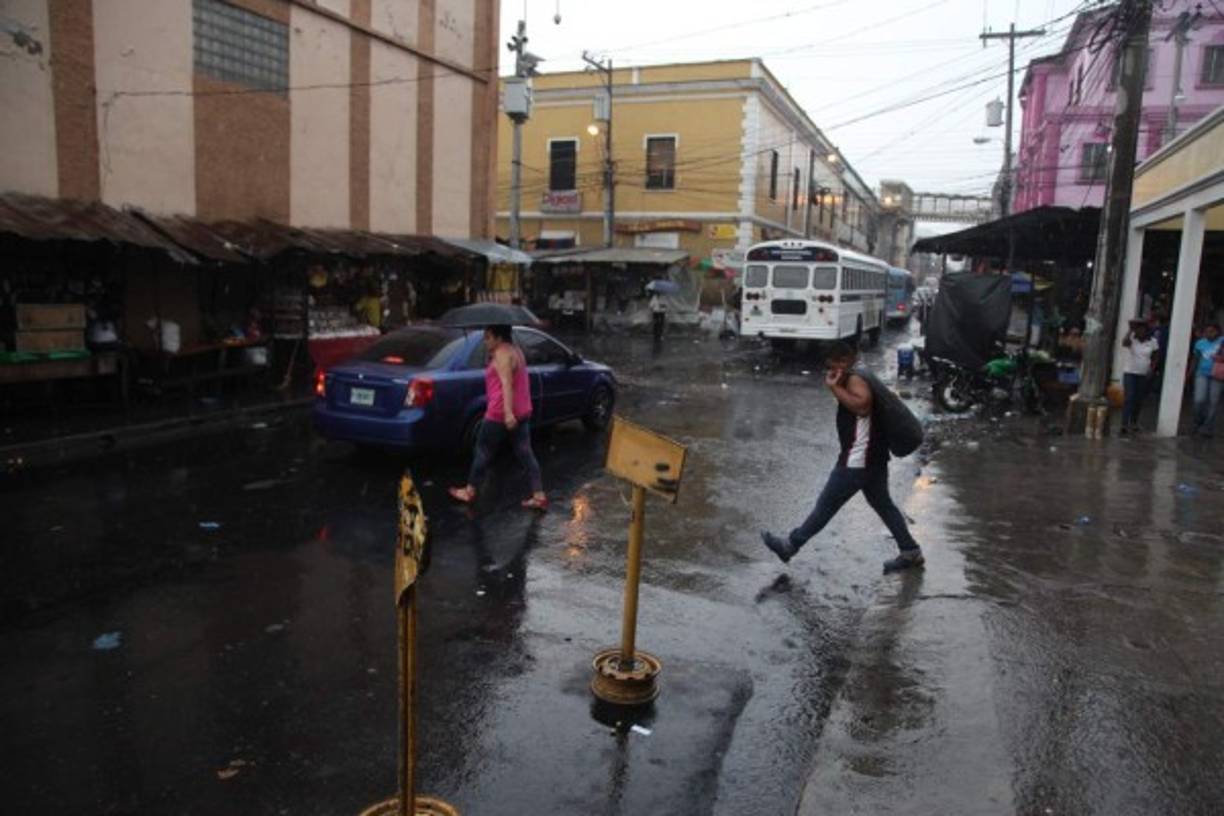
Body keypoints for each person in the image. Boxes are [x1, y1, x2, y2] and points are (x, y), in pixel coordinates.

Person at [760, 341, 925, 574]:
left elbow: (862, 407)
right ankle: (910, 552)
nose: (830, 370)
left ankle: (790, 545)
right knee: (883, 504)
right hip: (873, 455)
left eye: (833, 365)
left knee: (826, 504)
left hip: (859, 458)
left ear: (844, 361)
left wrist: (834, 388)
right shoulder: (859, 372)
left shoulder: (855, 377)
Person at [449, 325, 548, 510]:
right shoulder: (516, 351)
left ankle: (469, 491)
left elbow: (507, 385)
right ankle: (539, 495)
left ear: (499, 337)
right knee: (525, 453)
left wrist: (508, 414)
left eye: (488, 337)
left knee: (483, 450)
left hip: (500, 413)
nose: (485, 341)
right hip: (522, 411)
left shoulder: (502, 354)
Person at [1119, 319, 1159, 436]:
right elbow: (1124, 343)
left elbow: (1156, 356)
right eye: (1138, 329)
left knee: (1139, 399)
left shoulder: (1152, 342)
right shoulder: (1132, 339)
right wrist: (1130, 330)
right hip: (1130, 372)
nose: (1140, 332)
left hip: (1143, 374)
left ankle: (1134, 421)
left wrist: (1152, 368)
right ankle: (1124, 423)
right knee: (1129, 398)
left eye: (1143, 329)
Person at [1192, 323, 1223, 438]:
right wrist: (1190, 374)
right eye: (1207, 331)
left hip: (1217, 374)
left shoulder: (1222, 341)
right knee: (1199, 400)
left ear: (1218, 332)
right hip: (1202, 374)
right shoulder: (1200, 343)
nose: (1209, 334)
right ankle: (1198, 422)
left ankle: (1207, 427)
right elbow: (1196, 359)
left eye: (1212, 331)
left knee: (1213, 402)